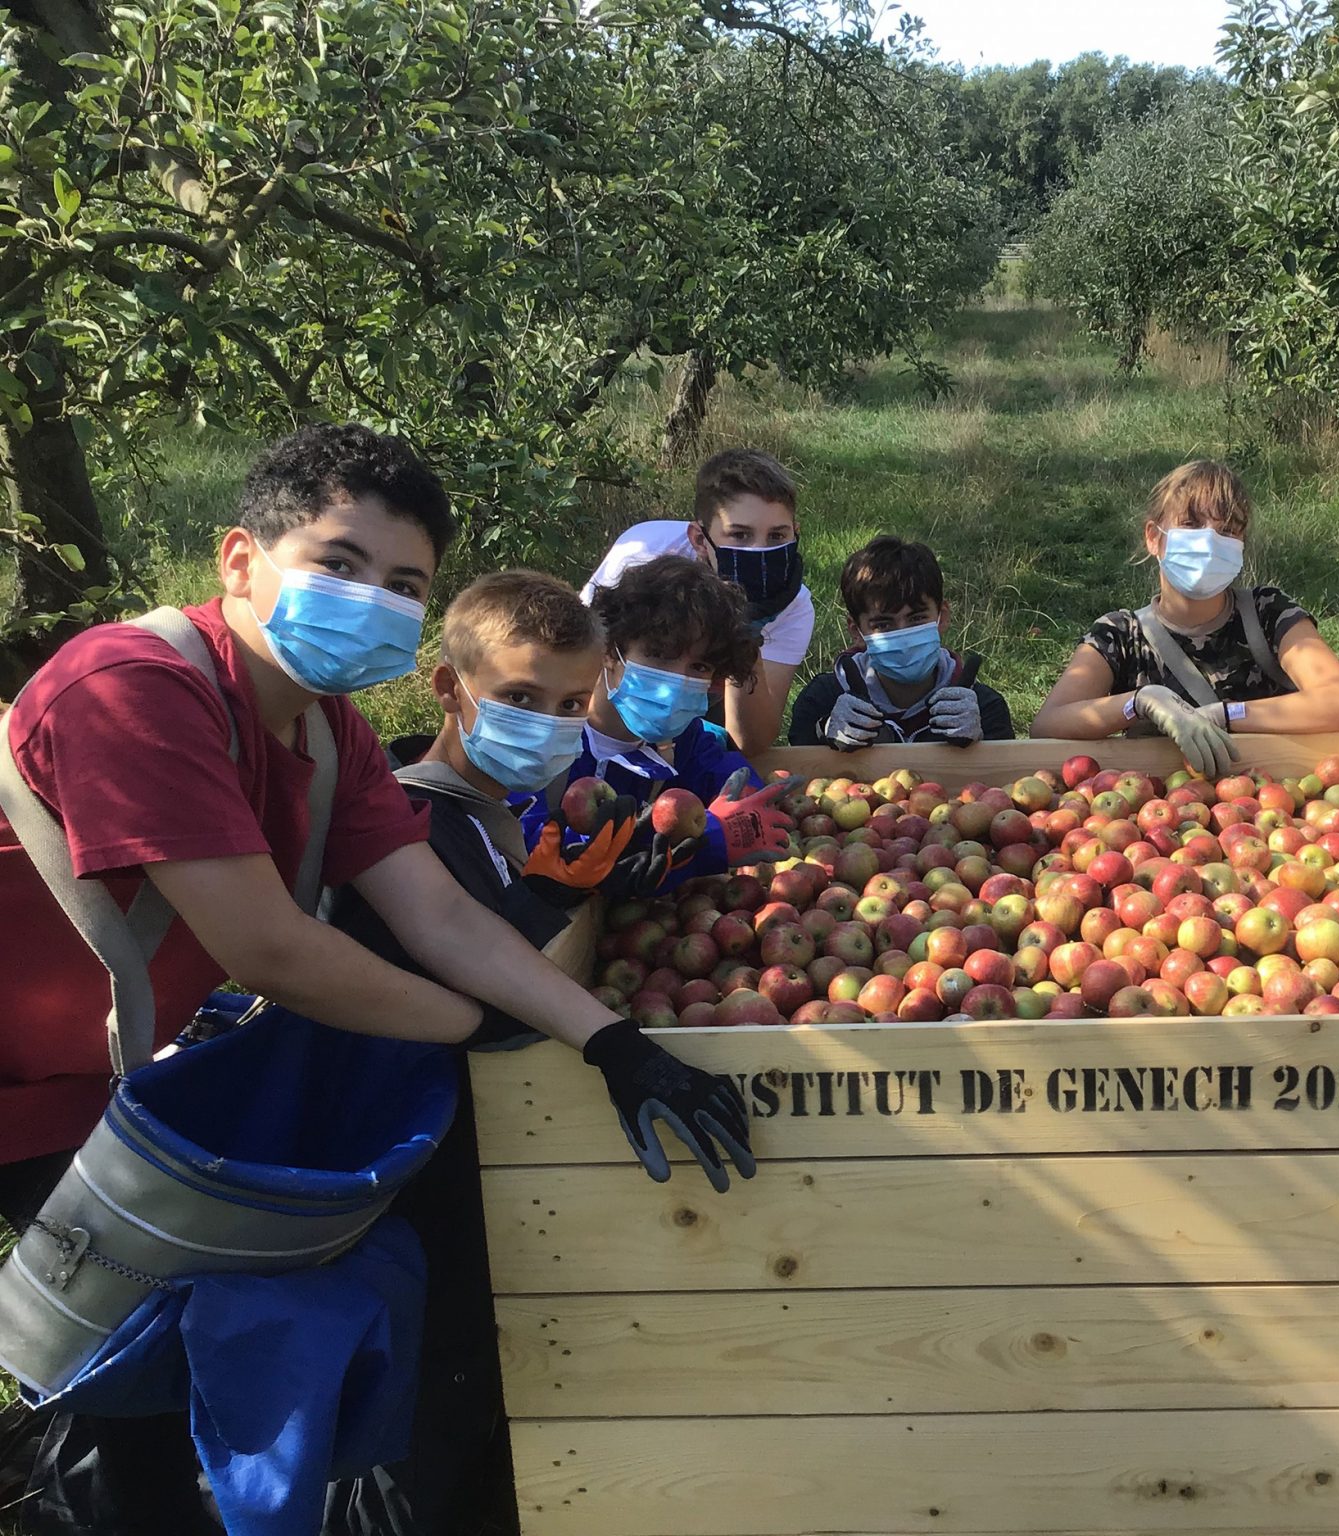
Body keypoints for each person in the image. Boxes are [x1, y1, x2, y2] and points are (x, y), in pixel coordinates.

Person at [0, 426, 751, 1534]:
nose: (371, 598)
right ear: (239, 560)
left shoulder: (327, 731)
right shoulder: (135, 687)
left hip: (119, 1082)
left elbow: (437, 913)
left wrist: (609, 1043)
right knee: (95, 1376)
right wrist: (480, 1024)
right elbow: (274, 950)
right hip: (31, 1069)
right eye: (338, 564)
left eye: (402, 582)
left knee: (143, 1376)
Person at [321, 570, 625, 1536]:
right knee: (416, 1436)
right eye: (520, 699)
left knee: (476, 1416)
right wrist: (540, 909)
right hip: (405, 1196)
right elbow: (446, 988)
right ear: (450, 690)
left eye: (572, 704)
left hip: (474, 1180)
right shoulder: (412, 825)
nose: (549, 722)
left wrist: (556, 894)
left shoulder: (492, 812)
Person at [1030, 460, 1339, 775]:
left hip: (1271, 797)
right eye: (1191, 524)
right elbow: (1047, 725)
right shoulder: (1120, 636)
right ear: (1153, 537)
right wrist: (1139, 702)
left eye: (1228, 529)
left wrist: (1227, 714)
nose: (1209, 540)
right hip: (1155, 819)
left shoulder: (1268, 613)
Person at [523, 552, 795, 872]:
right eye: (660, 655)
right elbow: (548, 856)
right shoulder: (540, 746)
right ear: (610, 650)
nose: (677, 682)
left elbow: (739, 788)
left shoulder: (686, 742)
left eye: (699, 666)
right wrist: (710, 840)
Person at [582, 448, 812, 753]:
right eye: (740, 536)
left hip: (706, 692)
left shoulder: (793, 606)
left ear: (795, 534)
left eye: (776, 537)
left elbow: (751, 741)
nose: (759, 550)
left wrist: (746, 639)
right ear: (700, 539)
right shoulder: (643, 555)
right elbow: (583, 660)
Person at [787, 535, 1015, 749]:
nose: (904, 634)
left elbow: (1005, 778)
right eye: (883, 624)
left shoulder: (983, 706)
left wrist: (980, 741)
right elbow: (795, 770)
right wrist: (824, 730)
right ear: (856, 630)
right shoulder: (823, 697)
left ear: (942, 617)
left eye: (916, 618)